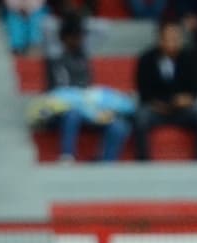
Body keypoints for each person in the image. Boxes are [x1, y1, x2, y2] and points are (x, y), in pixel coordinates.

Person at [43, 16, 132, 163]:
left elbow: (104, 28)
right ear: (63, 37)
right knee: (73, 114)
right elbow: (46, 26)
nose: (78, 40)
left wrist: (82, 23)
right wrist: (66, 23)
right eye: (74, 36)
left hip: (88, 107)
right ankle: (67, 156)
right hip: (60, 110)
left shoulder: (84, 53)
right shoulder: (54, 57)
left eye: (80, 36)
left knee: (118, 125)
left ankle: (106, 162)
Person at [133, 19, 197, 161]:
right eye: (168, 38)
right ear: (160, 39)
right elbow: (143, 91)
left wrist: (188, 99)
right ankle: (143, 162)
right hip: (156, 109)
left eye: (175, 38)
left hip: (182, 110)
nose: (172, 42)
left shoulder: (190, 58)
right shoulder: (146, 59)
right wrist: (159, 105)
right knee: (140, 118)